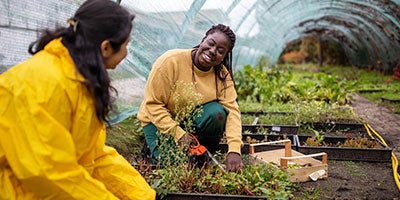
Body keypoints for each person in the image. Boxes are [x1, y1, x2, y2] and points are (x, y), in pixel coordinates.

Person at [0, 0, 156, 199]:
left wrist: (141, 196)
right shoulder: (41, 84)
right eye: (126, 45)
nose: (126, 53)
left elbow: (94, 156)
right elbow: (49, 173)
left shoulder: (79, 80)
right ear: (106, 48)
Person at [138, 24, 244, 172]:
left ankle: (201, 157)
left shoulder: (222, 76)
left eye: (221, 51)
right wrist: (179, 135)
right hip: (157, 121)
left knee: (217, 113)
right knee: (176, 167)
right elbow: (152, 105)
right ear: (203, 40)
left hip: (189, 119)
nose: (212, 51)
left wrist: (234, 149)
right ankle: (151, 150)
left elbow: (232, 111)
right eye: (211, 43)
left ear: (225, 56)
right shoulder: (170, 61)